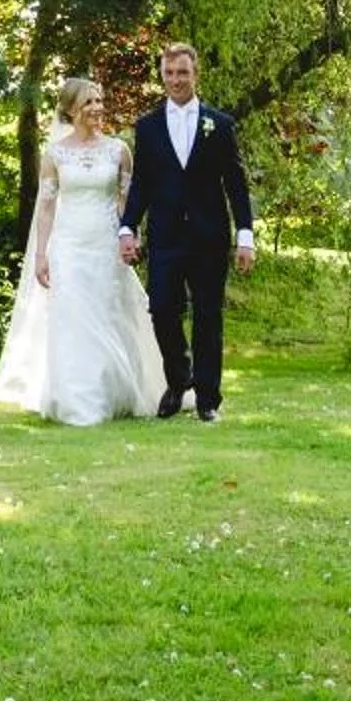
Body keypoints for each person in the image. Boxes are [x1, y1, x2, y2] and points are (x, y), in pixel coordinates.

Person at [0, 75, 165, 425]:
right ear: (71, 110)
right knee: (74, 321)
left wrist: (129, 236)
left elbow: (126, 203)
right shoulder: (55, 154)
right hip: (70, 246)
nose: (97, 108)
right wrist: (42, 255)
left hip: (106, 243)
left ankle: (116, 394)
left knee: (109, 317)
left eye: (99, 100)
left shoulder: (119, 150)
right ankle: (79, 401)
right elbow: (46, 208)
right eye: (89, 102)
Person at [118, 41, 254, 420]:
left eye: (182, 72)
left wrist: (245, 235)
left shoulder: (220, 125)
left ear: (195, 74)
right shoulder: (146, 127)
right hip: (165, 237)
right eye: (169, 73)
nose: (175, 80)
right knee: (161, 309)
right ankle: (179, 381)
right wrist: (127, 227)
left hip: (209, 237)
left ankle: (208, 399)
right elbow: (142, 183)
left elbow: (236, 185)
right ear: (162, 75)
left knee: (209, 317)